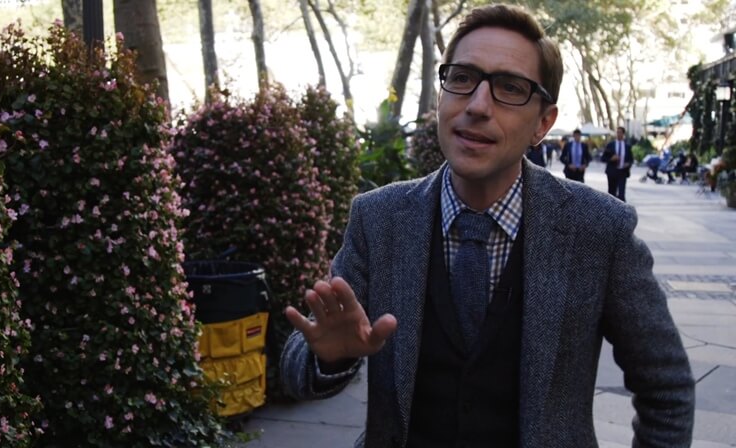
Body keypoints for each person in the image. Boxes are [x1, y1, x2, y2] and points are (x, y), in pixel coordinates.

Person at [280, 4, 694, 447]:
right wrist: (329, 360)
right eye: (462, 79)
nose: (477, 106)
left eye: (509, 88)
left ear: (543, 123)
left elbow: (666, 389)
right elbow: (298, 367)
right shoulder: (379, 219)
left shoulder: (597, 231)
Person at [601, 126, 634, 201]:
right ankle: (611, 210)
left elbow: (631, 159)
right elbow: (603, 158)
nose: (618, 134)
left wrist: (628, 164)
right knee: (611, 194)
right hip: (612, 171)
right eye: (617, 132)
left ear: (623, 134)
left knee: (621, 194)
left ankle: (622, 210)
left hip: (622, 172)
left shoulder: (627, 147)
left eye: (620, 132)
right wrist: (611, 159)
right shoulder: (611, 145)